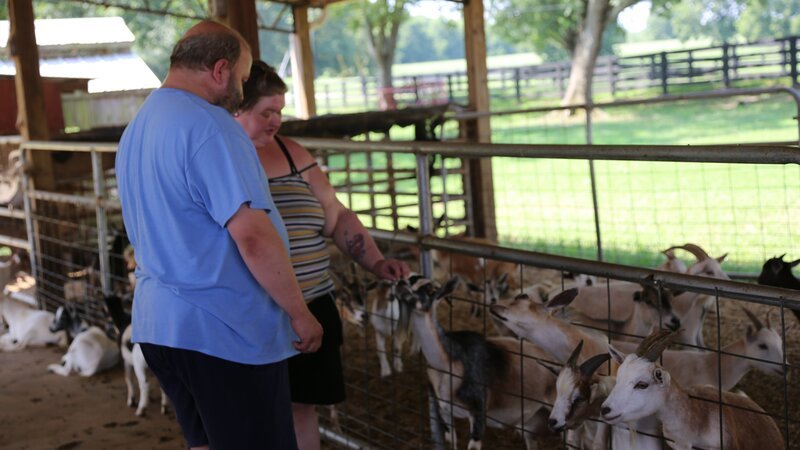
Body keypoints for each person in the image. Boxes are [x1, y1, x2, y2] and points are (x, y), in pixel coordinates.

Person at [115, 21, 323, 450]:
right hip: (222, 330)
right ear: (220, 69)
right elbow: (252, 235)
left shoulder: (139, 127)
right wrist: (298, 311)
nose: (242, 91)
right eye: (243, 79)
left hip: (160, 325)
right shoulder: (211, 126)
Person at [234, 61, 410, 450]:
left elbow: (337, 217)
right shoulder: (224, 160)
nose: (276, 120)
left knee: (302, 409)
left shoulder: (295, 154)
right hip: (253, 312)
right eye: (266, 112)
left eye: (279, 110)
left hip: (312, 305)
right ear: (237, 110)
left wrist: (376, 262)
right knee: (253, 414)